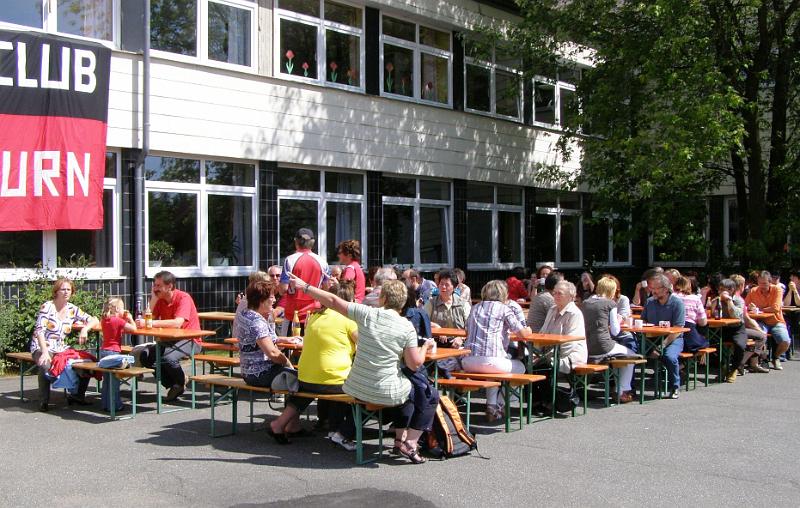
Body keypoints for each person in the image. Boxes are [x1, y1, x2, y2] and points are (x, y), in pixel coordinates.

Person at [288, 273, 437, 465]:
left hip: (356, 387)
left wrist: (304, 286)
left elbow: (333, 300)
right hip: (384, 390)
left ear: (382, 298)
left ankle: (397, 439)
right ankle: (410, 442)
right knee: (427, 393)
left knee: (405, 392)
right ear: (403, 303)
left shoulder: (366, 313)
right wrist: (424, 347)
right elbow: (414, 364)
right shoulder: (406, 327)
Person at [268, 282, 359, 450]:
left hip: (306, 377)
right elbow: (363, 346)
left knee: (310, 388)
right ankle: (339, 431)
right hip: (334, 380)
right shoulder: (348, 320)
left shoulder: (314, 317)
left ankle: (280, 423)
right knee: (352, 387)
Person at [463, 280, 533, 421]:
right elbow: (523, 334)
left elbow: (466, 330)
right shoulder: (504, 309)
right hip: (493, 360)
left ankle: (491, 405)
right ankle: (499, 404)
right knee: (520, 368)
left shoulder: (475, 308)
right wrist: (529, 330)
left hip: (468, 360)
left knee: (492, 374)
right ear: (503, 294)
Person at [30, 278, 100, 411]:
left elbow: (94, 319)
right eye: (63, 289)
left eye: (69, 289)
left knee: (87, 362)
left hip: (60, 347)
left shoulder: (72, 309)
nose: (66, 292)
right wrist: (44, 352)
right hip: (42, 345)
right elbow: (39, 331)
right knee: (45, 366)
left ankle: (78, 396)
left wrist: (85, 329)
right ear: (56, 291)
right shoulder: (48, 306)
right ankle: (43, 401)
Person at [141, 271, 203, 402]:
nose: (155, 288)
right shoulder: (160, 300)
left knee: (167, 356)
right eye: (154, 285)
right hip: (169, 340)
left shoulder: (183, 298)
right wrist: (153, 299)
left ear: (169, 286)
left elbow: (177, 323)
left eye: (158, 285)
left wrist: (151, 323)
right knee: (145, 356)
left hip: (191, 340)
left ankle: (179, 383)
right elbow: (147, 319)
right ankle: (175, 383)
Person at [582, 277, 636, 403]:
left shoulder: (586, 302)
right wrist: (618, 319)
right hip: (604, 345)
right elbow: (615, 331)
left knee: (619, 357)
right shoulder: (610, 304)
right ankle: (622, 390)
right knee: (631, 356)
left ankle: (618, 388)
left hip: (587, 346)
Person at [641, 273, 685, 399]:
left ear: (666, 289)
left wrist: (661, 346)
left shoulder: (677, 303)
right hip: (651, 338)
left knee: (670, 357)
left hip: (672, 339)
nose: (653, 291)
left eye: (656, 288)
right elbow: (643, 321)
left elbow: (678, 329)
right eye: (651, 288)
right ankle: (629, 389)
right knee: (632, 354)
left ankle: (674, 387)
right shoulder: (650, 302)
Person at [279, 228, 330, 326]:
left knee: (291, 341)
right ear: (313, 242)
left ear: (296, 241)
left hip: (293, 315)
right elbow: (327, 288)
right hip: (314, 313)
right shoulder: (322, 261)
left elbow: (283, 289)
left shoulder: (289, 260)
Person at [744, 270, 791, 370]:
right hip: (760, 321)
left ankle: (776, 357)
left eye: (764, 283)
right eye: (760, 283)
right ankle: (758, 361)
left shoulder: (777, 290)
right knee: (759, 337)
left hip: (776, 321)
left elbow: (776, 308)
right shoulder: (753, 291)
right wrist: (750, 307)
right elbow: (745, 306)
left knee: (786, 341)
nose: (762, 285)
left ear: (770, 282)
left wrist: (759, 309)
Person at [539, 281, 588, 373]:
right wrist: (537, 353)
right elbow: (542, 333)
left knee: (542, 367)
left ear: (571, 296)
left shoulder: (574, 314)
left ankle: (549, 387)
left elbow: (571, 343)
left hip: (569, 356)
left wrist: (548, 356)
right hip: (549, 355)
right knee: (527, 363)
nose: (556, 296)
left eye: (560, 293)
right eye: (554, 293)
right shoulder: (552, 310)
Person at [99, 297, 137, 412]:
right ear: (116, 309)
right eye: (122, 308)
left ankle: (105, 404)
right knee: (115, 380)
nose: (124, 310)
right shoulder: (119, 321)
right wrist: (130, 319)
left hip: (104, 351)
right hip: (114, 352)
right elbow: (133, 329)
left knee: (106, 380)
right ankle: (115, 405)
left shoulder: (104, 320)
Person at [731, 274, 770, 372]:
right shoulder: (739, 299)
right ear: (741, 286)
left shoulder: (728, 297)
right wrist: (760, 330)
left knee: (757, 334)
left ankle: (754, 364)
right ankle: (742, 362)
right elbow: (747, 320)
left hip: (726, 329)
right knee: (762, 336)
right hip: (737, 330)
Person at [601, 273, 637, 352]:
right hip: (605, 335)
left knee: (630, 346)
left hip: (623, 333)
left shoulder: (623, 299)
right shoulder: (598, 301)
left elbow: (623, 317)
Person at [674, 276, 708, 352]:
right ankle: (698, 362)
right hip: (689, 337)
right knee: (705, 342)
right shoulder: (695, 298)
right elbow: (703, 322)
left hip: (671, 335)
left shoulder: (670, 297)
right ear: (689, 286)